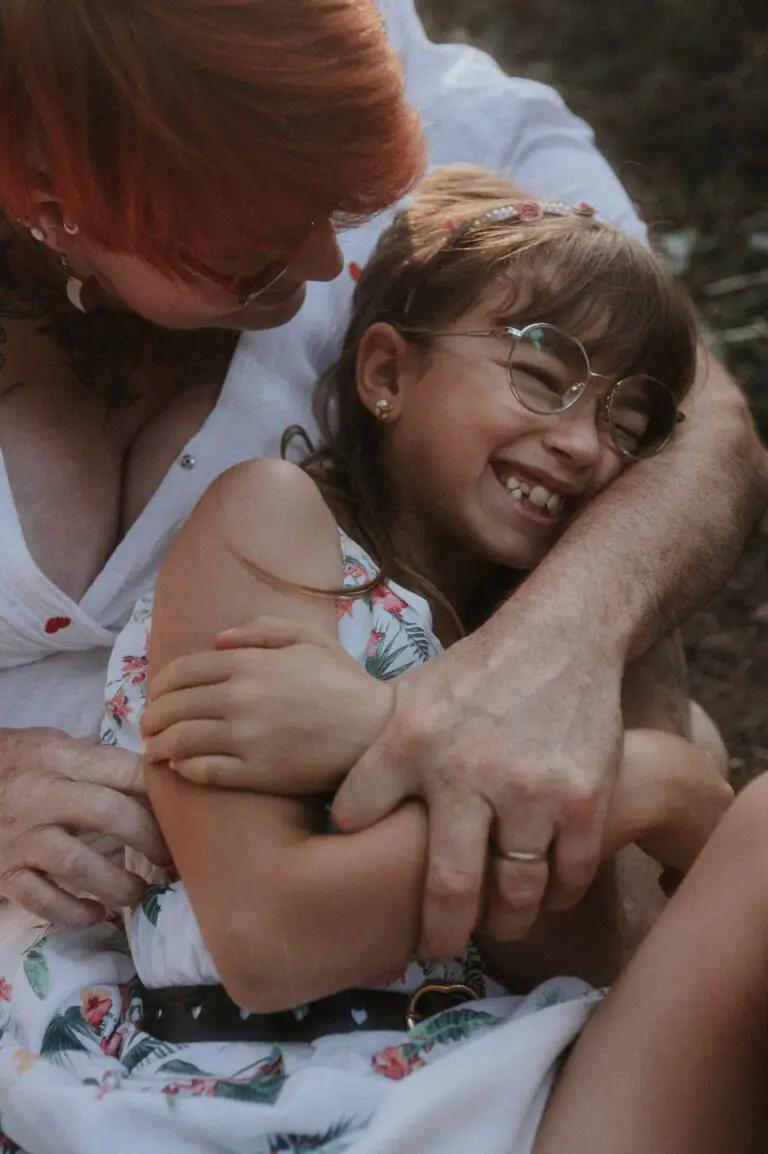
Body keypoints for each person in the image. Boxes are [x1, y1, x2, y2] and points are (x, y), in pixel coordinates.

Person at [0, 0, 762, 966]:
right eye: (257, 238)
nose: (327, 263)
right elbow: (267, 936)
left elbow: (697, 426)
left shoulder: (340, 50)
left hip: (381, 908)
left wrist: (545, 657)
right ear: (49, 187)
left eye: (349, 207)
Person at [0, 168, 735, 1154]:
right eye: (542, 375)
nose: (579, 443)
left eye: (625, 423)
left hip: (474, 1077)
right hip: (263, 1094)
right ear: (386, 373)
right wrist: (641, 785)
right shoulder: (271, 521)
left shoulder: (515, 656)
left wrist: (379, 730)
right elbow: (264, 939)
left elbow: (573, 950)